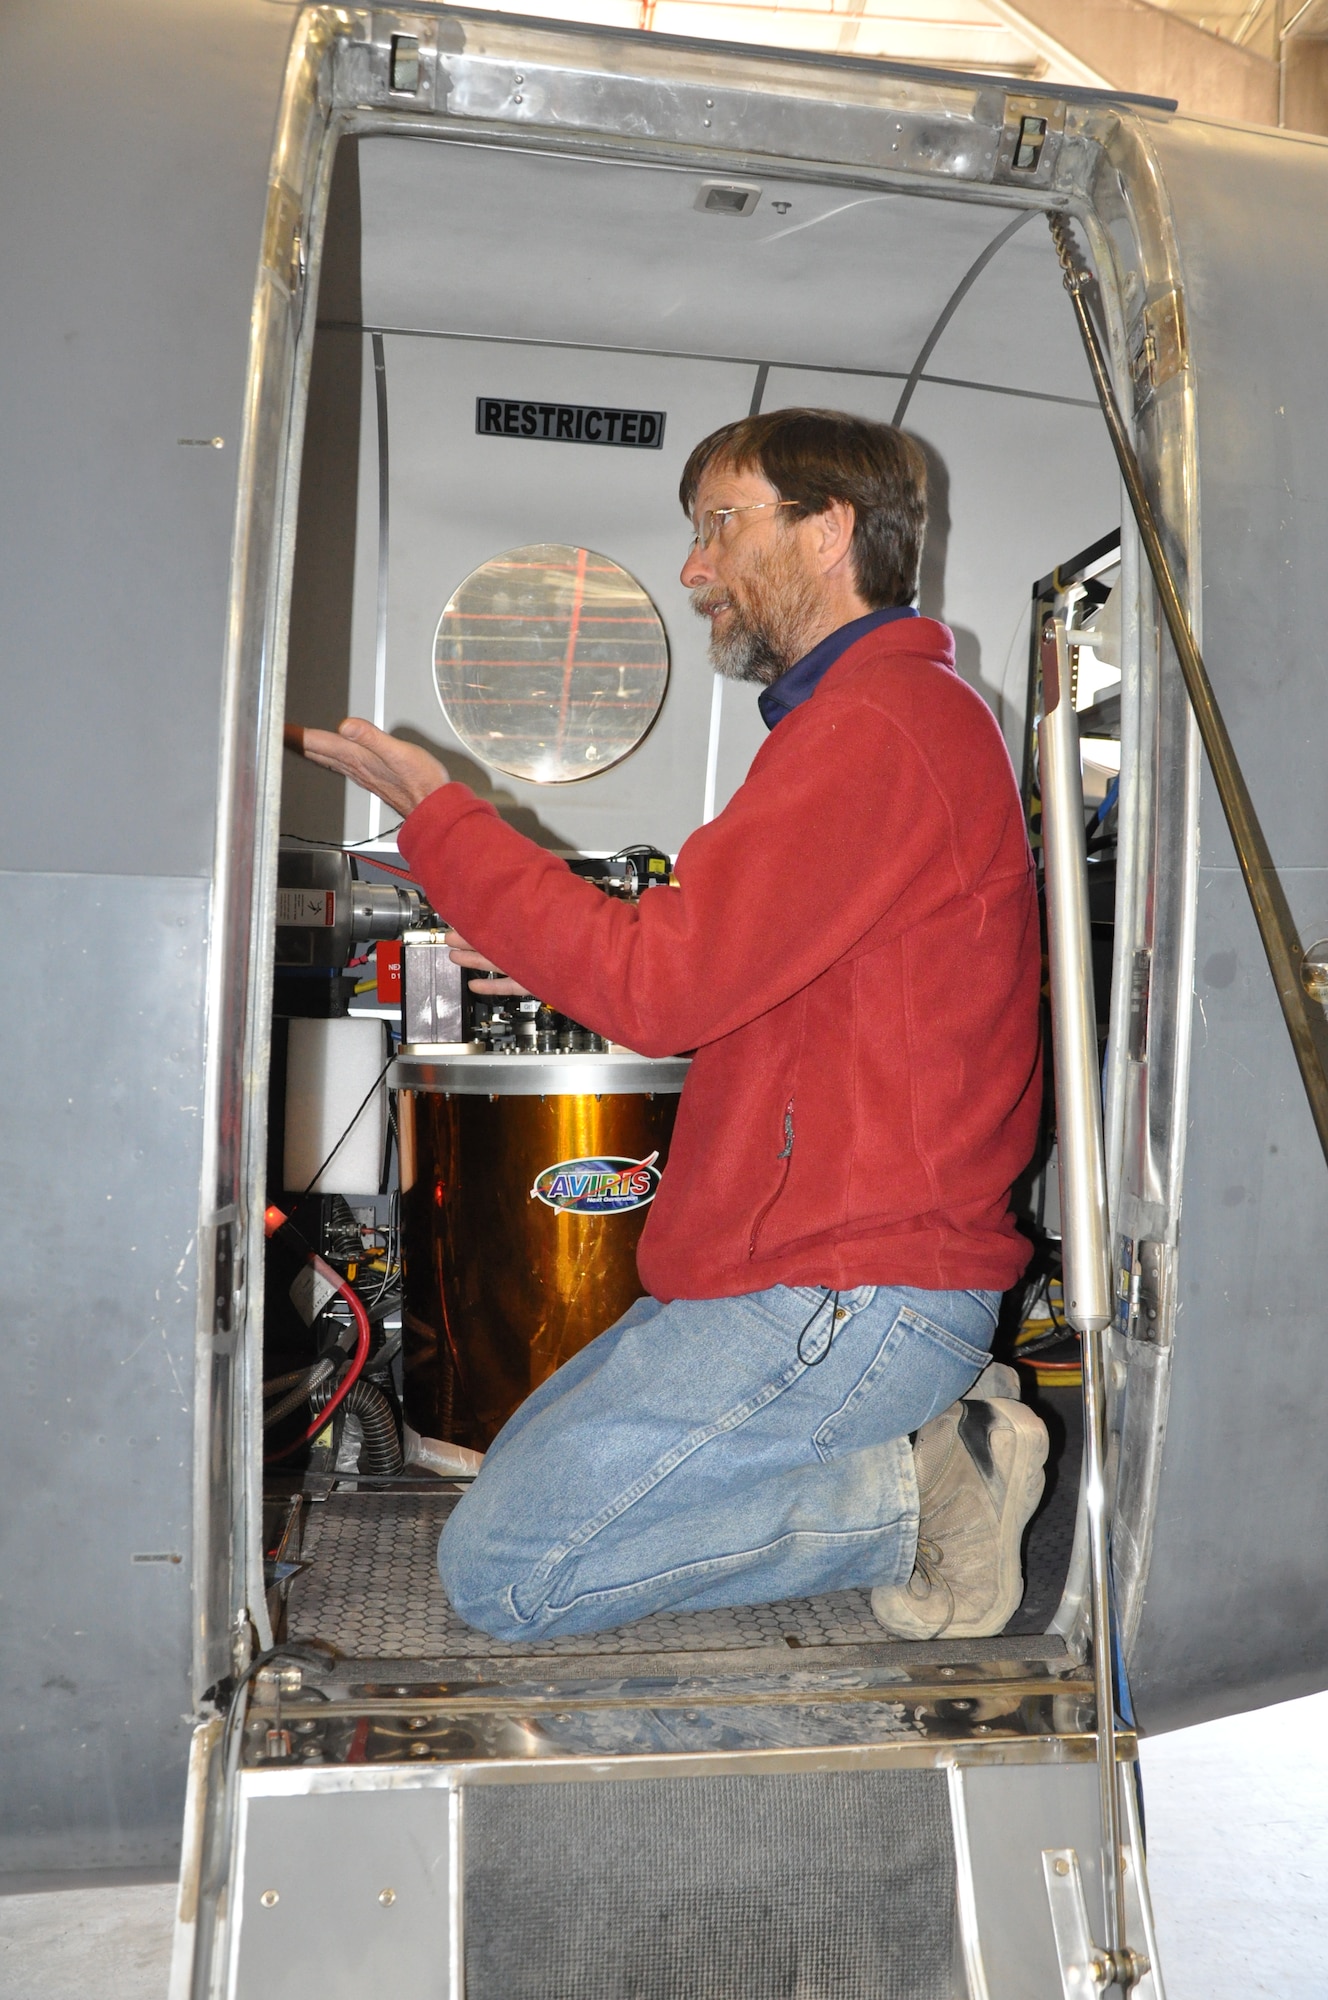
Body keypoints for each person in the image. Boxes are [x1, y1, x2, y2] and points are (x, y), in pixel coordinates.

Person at [294, 407, 1047, 1645]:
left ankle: (916, 1495)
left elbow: (660, 988)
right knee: (507, 1468)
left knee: (509, 1570)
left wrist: (446, 822)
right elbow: (730, 975)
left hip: (848, 1287)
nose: (693, 569)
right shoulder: (862, 726)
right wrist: (536, 929)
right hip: (789, 1274)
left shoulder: (877, 728)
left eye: (716, 526)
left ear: (828, 531)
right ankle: (907, 1451)